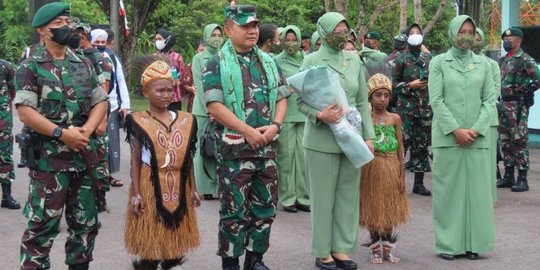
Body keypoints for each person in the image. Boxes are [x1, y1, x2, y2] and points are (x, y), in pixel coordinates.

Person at [15, 2, 108, 269]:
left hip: (84, 159)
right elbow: (25, 112)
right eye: (58, 25)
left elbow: (99, 100)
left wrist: (86, 131)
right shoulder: (30, 66)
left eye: (67, 22)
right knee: (41, 229)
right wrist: (61, 134)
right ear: (42, 31)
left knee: (86, 227)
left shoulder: (83, 63)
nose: (66, 28)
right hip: (49, 164)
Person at [203, 4, 287, 270]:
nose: (252, 31)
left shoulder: (268, 62)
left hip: (267, 148)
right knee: (233, 211)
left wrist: (275, 126)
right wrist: (247, 131)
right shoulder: (217, 62)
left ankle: (255, 259)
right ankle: (231, 262)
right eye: (245, 26)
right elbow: (214, 106)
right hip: (235, 149)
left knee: (265, 208)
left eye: (254, 26)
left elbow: (282, 96)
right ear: (229, 29)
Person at [298, 12, 375, 270]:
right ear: (323, 31)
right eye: (337, 30)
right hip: (322, 140)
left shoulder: (354, 61)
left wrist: (369, 136)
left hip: (351, 138)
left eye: (345, 29)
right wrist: (320, 114)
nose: (342, 34)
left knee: (347, 196)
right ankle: (322, 252)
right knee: (323, 198)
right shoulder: (310, 60)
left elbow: (363, 102)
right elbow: (299, 100)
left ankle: (341, 248)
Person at [429, 15, 497, 260]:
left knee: (478, 195)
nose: (466, 36)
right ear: (452, 33)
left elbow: (490, 100)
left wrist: (477, 129)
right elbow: (436, 100)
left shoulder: (484, 64)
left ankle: (475, 244)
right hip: (448, 139)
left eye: (470, 31)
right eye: (462, 31)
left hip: (478, 139)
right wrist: (456, 130)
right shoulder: (439, 62)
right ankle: (450, 244)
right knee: (449, 194)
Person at [124, 55, 200, 270]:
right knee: (150, 230)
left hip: (179, 182)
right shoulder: (138, 120)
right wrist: (137, 193)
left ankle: (169, 260)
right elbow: (135, 160)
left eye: (169, 90)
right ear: (146, 92)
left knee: (173, 238)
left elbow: (188, 157)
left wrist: (193, 188)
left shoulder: (185, 120)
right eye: (160, 91)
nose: (166, 95)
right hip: (149, 181)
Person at [361, 72, 409, 265]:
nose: (382, 99)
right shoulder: (367, 119)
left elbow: (400, 147)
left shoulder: (395, 118)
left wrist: (402, 175)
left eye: (386, 95)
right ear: (370, 97)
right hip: (373, 167)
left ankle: (388, 248)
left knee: (390, 208)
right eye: (377, 95)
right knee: (374, 208)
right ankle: (374, 248)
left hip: (391, 166)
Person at [496, 27, 540, 192]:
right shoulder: (502, 60)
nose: (506, 41)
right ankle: (508, 176)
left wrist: (525, 90)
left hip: (518, 106)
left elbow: (537, 78)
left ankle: (522, 178)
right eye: (505, 39)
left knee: (519, 141)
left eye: (510, 39)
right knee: (505, 141)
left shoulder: (525, 59)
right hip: (503, 105)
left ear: (519, 41)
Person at [391, 23, 432, 196]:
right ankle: (394, 182)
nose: (415, 35)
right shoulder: (400, 60)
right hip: (405, 111)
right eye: (412, 33)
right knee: (401, 145)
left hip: (424, 109)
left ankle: (419, 183)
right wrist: (409, 85)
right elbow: (391, 84)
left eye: (418, 32)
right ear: (407, 37)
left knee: (421, 146)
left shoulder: (429, 59)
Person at [274, 25, 309, 213]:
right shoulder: (275, 61)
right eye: (286, 40)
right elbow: (273, 88)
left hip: (304, 114)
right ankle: (288, 198)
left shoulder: (307, 59)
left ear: (299, 40)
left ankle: (303, 197)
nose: (290, 43)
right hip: (286, 114)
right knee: (286, 157)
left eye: (293, 39)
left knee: (303, 158)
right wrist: (289, 89)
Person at [191, 23, 224, 200]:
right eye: (214, 34)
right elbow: (200, 84)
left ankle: (218, 185)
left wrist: (220, 109)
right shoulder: (199, 58)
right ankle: (203, 188)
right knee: (202, 146)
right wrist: (211, 109)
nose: (217, 38)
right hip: (203, 110)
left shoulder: (224, 56)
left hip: (222, 110)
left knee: (217, 147)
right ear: (206, 36)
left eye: (219, 34)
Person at [473, 28, 501, 203]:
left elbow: (494, 92)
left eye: (477, 37)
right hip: (464, 120)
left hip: (487, 120)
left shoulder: (491, 64)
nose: (473, 40)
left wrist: (481, 114)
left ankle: (488, 197)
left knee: (487, 161)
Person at [104, 28, 131, 185]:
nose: (103, 45)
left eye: (105, 42)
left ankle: (109, 175)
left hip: (112, 105)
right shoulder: (87, 57)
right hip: (92, 107)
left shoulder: (113, 58)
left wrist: (125, 104)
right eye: (98, 42)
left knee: (112, 142)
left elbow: (120, 81)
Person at [155, 29, 195, 112]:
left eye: (159, 39)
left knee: (174, 121)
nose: (157, 41)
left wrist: (177, 78)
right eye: (156, 39)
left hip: (174, 98)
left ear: (168, 40)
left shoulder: (177, 57)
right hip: (157, 97)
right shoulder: (154, 57)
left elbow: (183, 77)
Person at [0, 58, 20, 210]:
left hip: (2, 119)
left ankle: (6, 196)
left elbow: (13, 90)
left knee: (4, 156)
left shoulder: (5, 66)